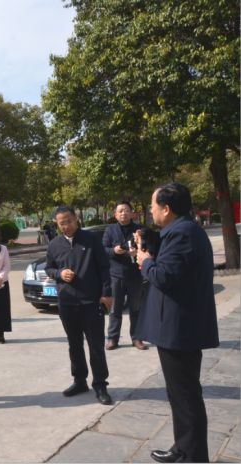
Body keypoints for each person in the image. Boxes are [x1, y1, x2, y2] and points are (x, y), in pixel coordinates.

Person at [135, 183, 219, 463]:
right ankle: (183, 447)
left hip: (180, 329)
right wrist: (150, 242)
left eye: (153, 206)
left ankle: (193, 456)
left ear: (167, 209)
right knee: (179, 394)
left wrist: (145, 262)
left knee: (185, 395)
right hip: (178, 327)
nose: (151, 210)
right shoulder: (181, 231)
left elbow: (165, 276)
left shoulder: (183, 234)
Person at [45, 206, 114, 405]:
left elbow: (104, 267)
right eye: (61, 223)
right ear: (57, 224)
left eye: (69, 221)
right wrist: (59, 274)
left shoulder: (91, 240)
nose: (66, 226)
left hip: (90, 302)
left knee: (96, 345)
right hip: (67, 303)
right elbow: (49, 268)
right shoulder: (54, 244)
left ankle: (100, 384)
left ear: (76, 218)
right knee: (74, 344)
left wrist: (106, 294)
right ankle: (79, 381)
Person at [102, 200, 146, 350]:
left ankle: (137, 338)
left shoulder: (139, 230)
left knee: (136, 308)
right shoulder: (110, 230)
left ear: (132, 213)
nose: (123, 213)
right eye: (120, 211)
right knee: (115, 309)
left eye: (126, 210)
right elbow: (103, 250)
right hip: (116, 275)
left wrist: (137, 252)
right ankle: (112, 339)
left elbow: (147, 248)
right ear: (115, 215)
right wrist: (114, 251)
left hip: (135, 275)